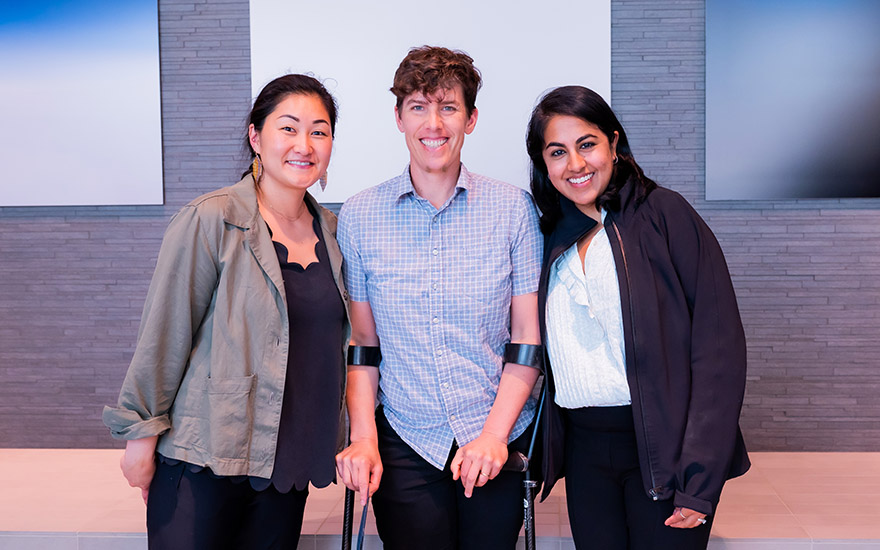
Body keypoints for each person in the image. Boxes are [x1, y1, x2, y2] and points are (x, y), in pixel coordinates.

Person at [102, 74, 349, 550]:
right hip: (204, 457)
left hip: (287, 464)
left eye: (319, 131)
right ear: (256, 137)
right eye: (289, 128)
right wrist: (139, 437)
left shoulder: (336, 234)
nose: (305, 144)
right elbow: (164, 333)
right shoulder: (210, 218)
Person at [334, 46, 543, 550]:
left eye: (448, 107)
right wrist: (363, 436)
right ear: (400, 117)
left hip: (495, 432)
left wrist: (494, 436)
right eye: (419, 107)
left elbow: (527, 339)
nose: (434, 123)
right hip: (406, 436)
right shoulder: (361, 216)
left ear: (470, 119)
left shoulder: (513, 209)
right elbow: (363, 346)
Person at [526, 85, 750, 550]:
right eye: (557, 152)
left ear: (613, 141)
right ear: (544, 165)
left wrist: (699, 478)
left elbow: (719, 350)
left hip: (662, 450)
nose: (576, 164)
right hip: (586, 454)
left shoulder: (665, 214)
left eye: (587, 144)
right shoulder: (551, 234)